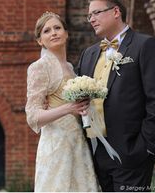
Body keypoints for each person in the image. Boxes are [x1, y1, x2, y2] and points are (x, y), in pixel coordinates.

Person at [77, 0, 155, 192]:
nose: (91, 19)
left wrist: (145, 148)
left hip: (132, 153)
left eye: (96, 13)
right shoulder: (88, 54)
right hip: (96, 154)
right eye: (89, 15)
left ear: (116, 11)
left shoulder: (145, 46)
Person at [25, 12, 100, 192]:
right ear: (40, 41)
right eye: (47, 31)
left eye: (57, 28)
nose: (53, 33)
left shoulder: (70, 68)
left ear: (67, 33)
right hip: (56, 144)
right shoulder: (39, 68)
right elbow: (33, 116)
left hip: (77, 142)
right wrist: (68, 108)